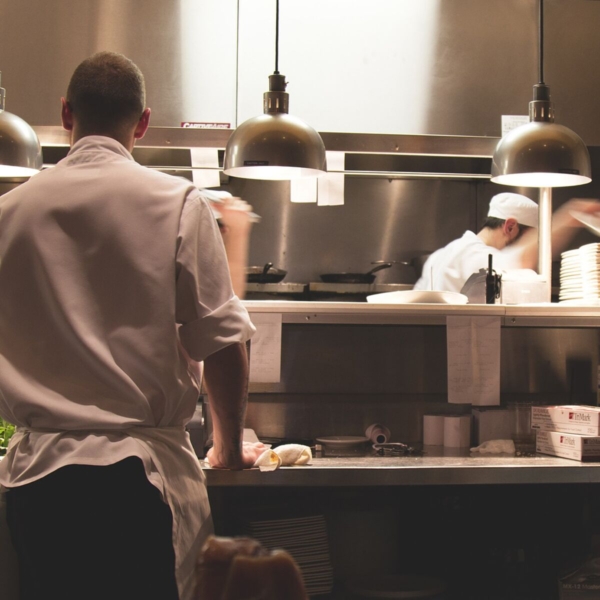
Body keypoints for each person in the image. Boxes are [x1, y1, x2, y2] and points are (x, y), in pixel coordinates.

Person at [0, 51, 266, 600]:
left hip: (36, 486)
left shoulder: (9, 213)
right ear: (142, 122)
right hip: (136, 482)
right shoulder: (177, 203)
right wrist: (229, 446)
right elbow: (220, 342)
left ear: (66, 113)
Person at [413, 192, 600, 294]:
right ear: (510, 227)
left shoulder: (440, 255)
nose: (534, 245)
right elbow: (521, 259)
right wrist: (573, 214)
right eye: (532, 238)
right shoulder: (474, 256)